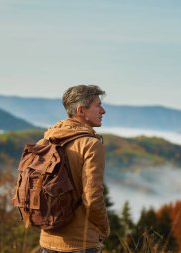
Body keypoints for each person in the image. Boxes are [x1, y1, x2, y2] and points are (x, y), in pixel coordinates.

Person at [39, 85, 110, 253]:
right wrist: (104, 229)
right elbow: (93, 199)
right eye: (97, 105)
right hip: (81, 244)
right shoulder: (91, 145)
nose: (103, 111)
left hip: (47, 240)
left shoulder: (45, 141)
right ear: (81, 111)